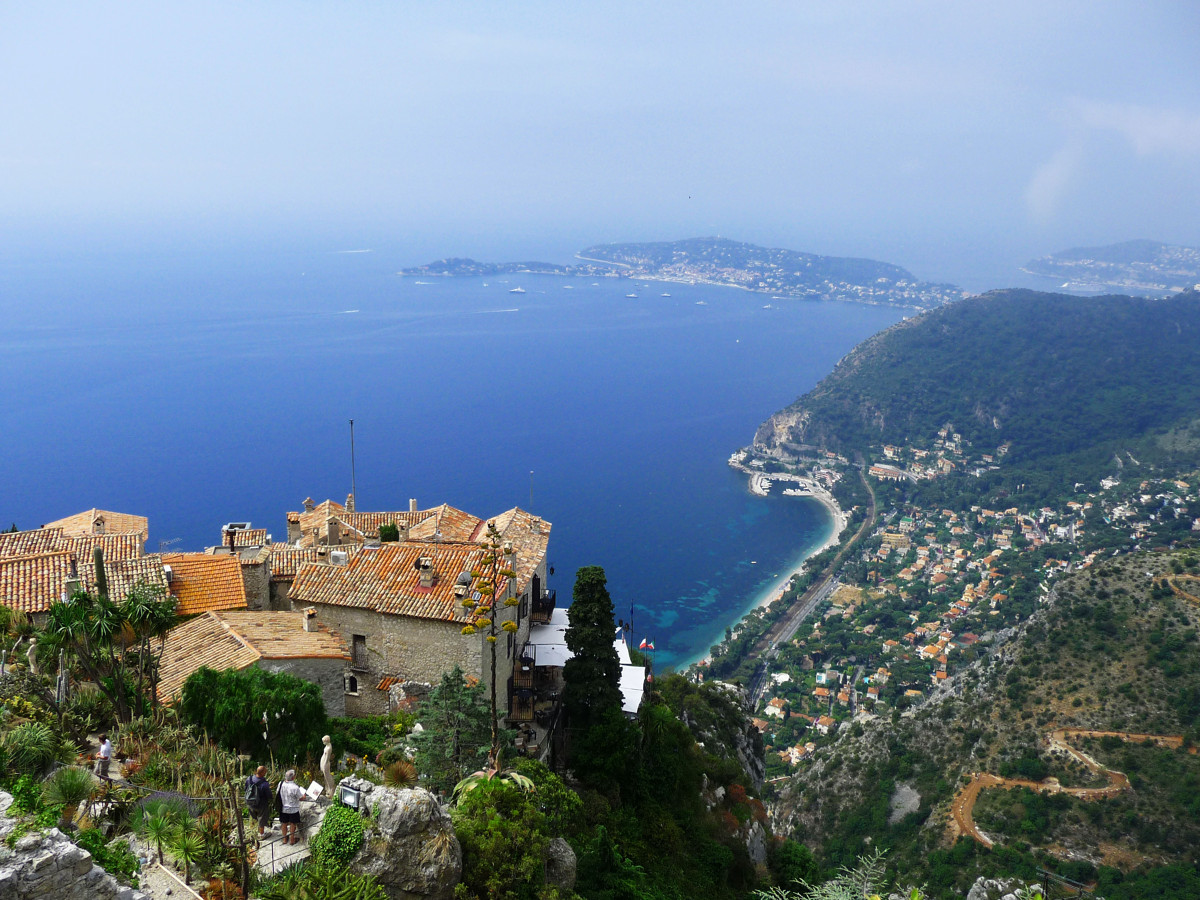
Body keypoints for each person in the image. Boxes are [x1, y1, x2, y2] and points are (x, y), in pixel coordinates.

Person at [278, 769, 311, 845]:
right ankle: (292, 839)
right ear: (293, 777)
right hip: (293, 808)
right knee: (293, 823)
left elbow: (278, 793)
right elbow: (301, 798)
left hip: (283, 807)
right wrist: (304, 795)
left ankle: (284, 839)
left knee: (284, 823)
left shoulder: (281, 783)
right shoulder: (295, 787)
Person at [246, 766, 273, 838]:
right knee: (262, 818)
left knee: (253, 817)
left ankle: (253, 832)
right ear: (262, 772)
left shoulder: (249, 779)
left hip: (250, 802)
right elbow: (268, 794)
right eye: (265, 771)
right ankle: (261, 834)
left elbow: (246, 788)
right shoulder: (264, 783)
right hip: (261, 803)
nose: (266, 773)